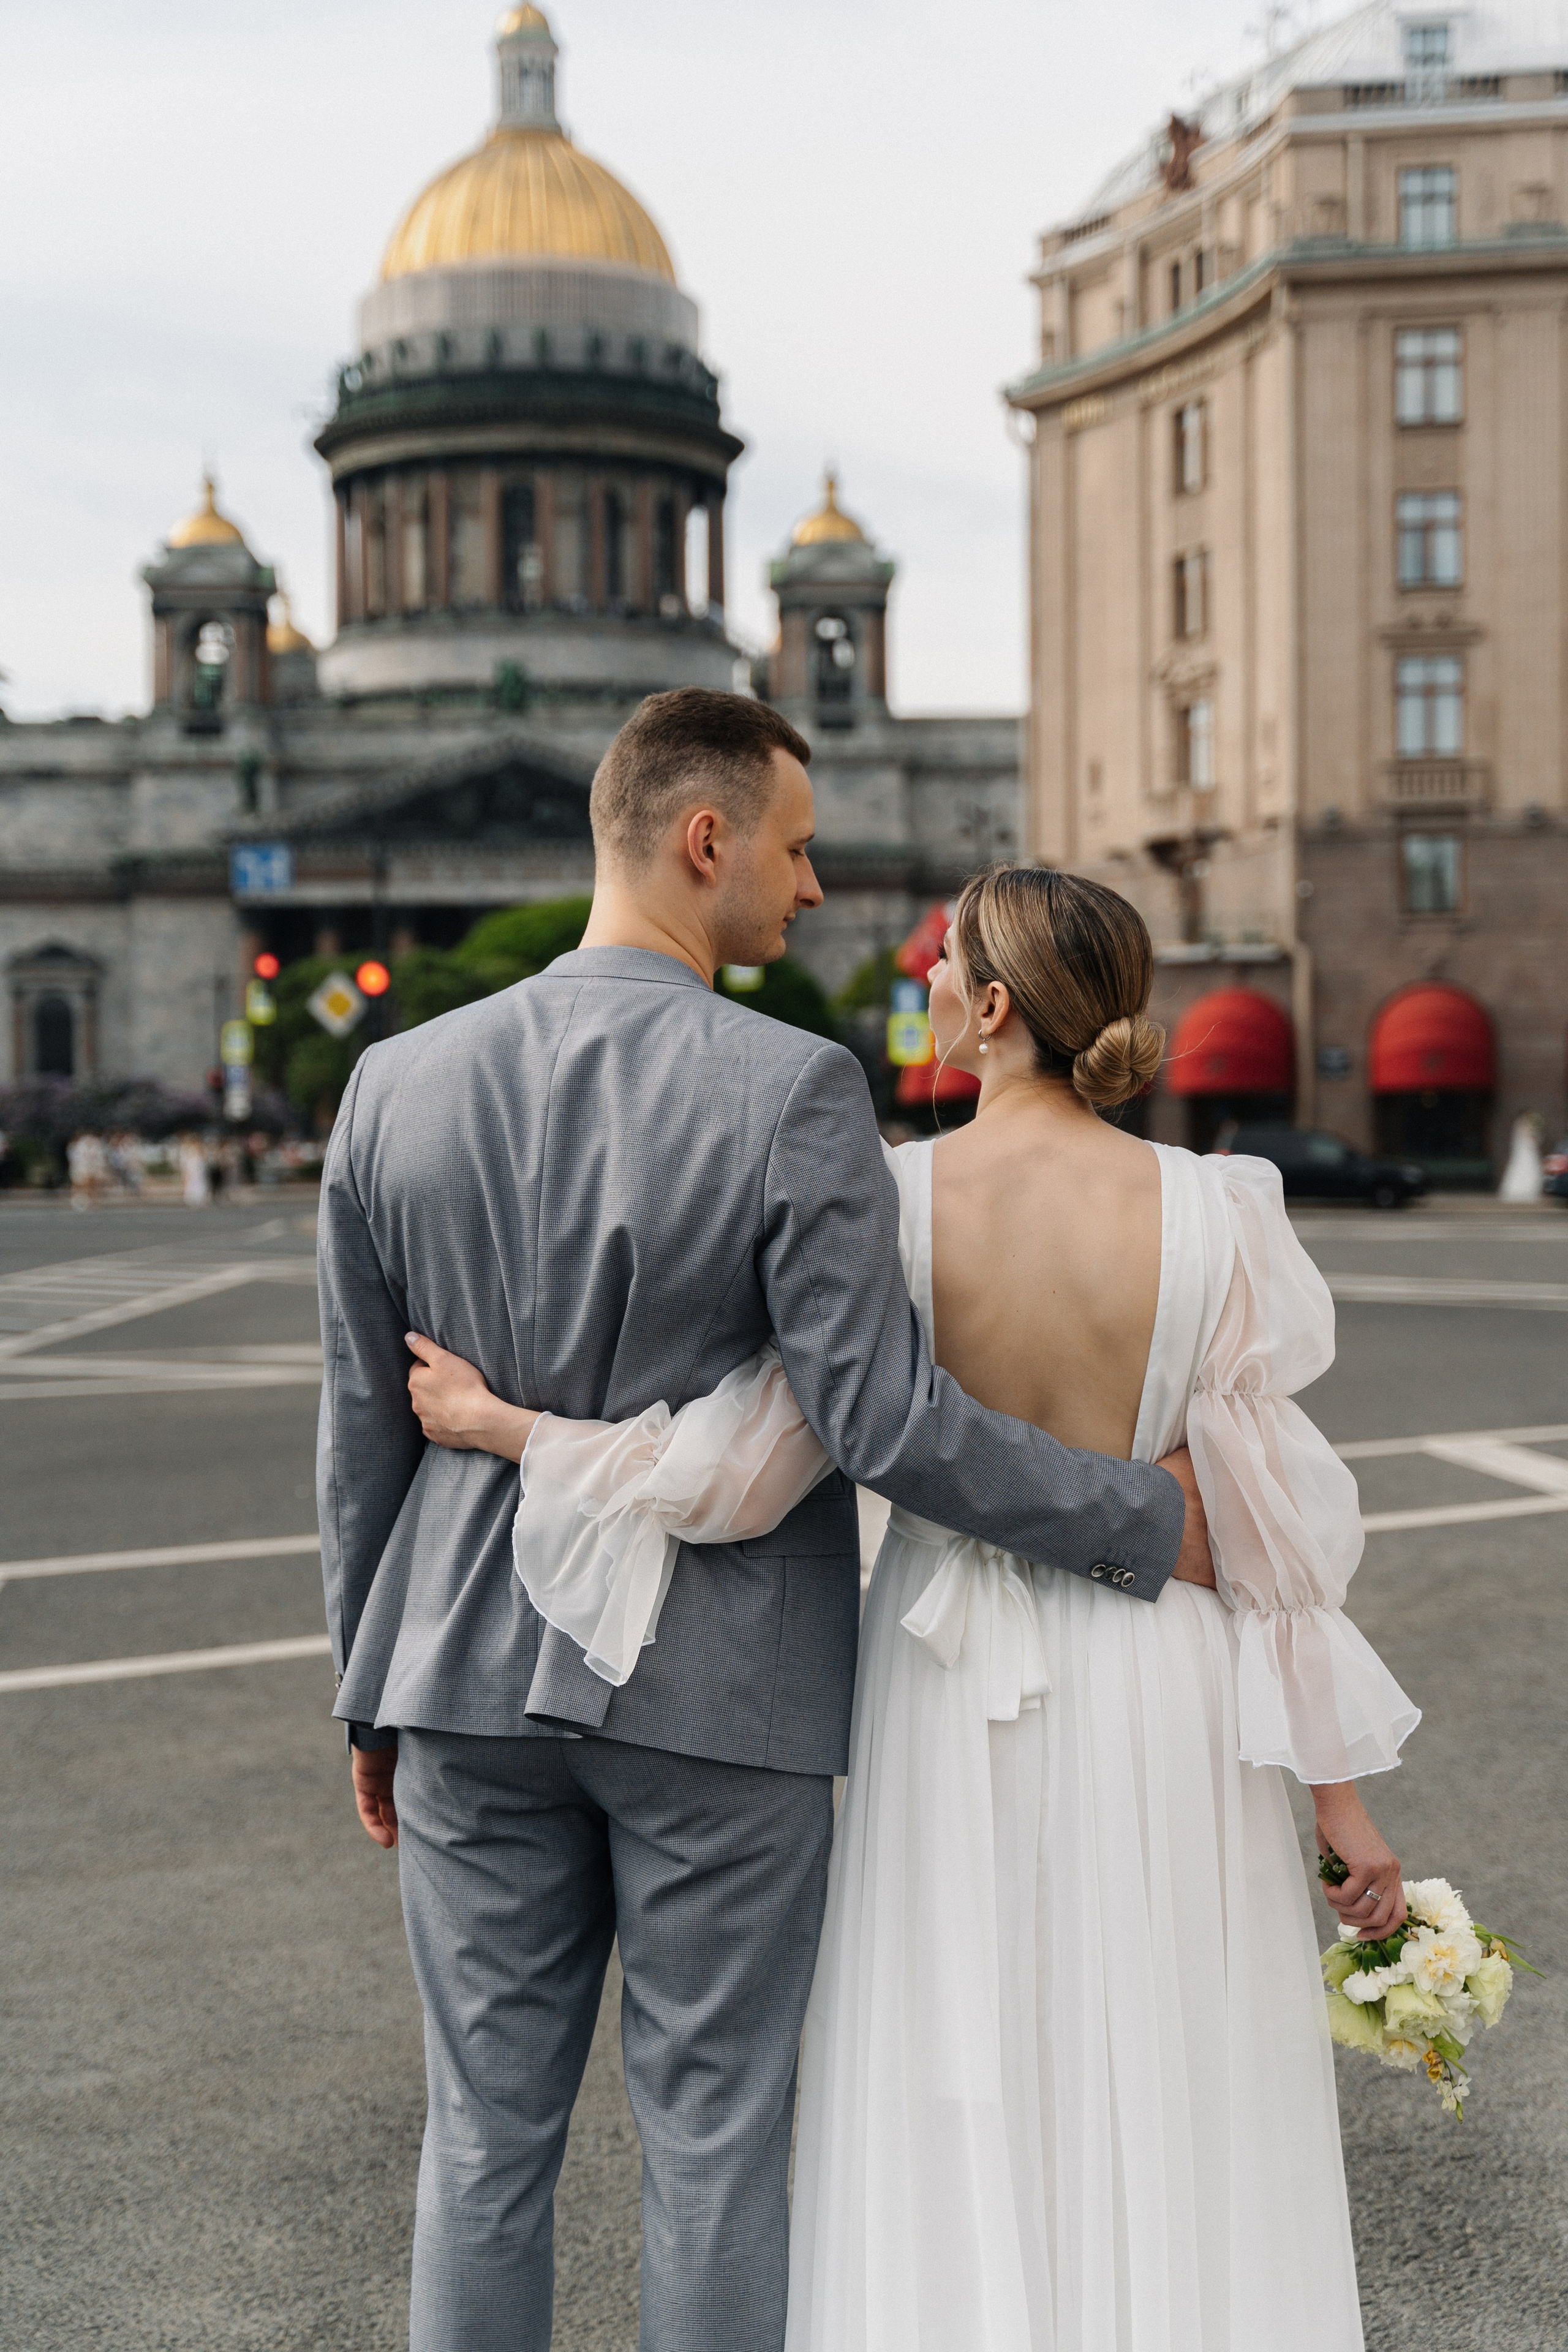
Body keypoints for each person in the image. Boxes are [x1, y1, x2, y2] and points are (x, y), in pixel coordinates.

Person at [407, 864, 1419, 2352]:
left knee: (955, 2068)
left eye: (941, 963)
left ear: (993, 1010)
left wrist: (516, 1435)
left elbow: (740, 1470)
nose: (923, 980)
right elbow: (1266, 1541)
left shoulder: (886, 1200)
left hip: (945, 1684)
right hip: (1165, 1683)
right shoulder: (1218, 1210)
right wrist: (1344, 1812)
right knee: (1167, 2060)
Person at [317, 692, 1213, 2352]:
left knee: (482, 2144)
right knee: (717, 2148)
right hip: (717, 1696)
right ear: (704, 838)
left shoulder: (392, 1084)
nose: (811, 890)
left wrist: (365, 1685)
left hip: (454, 1680)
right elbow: (879, 1420)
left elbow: (359, 1434)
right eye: (795, 852)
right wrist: (1141, 1519)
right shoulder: (795, 1085)